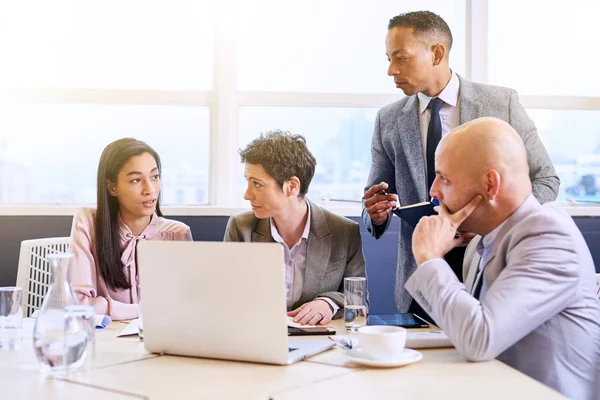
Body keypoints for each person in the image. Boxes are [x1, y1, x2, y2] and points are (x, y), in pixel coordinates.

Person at [362, 11, 560, 317]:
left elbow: (546, 180)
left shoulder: (501, 104)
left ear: (437, 53)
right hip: (421, 277)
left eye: (401, 58)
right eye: (388, 58)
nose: (391, 70)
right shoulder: (388, 120)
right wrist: (375, 214)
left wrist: (495, 227)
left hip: (492, 265)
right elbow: (374, 202)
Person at [406, 117, 600, 399]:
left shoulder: (548, 236)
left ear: (490, 184)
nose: (433, 191)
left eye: (444, 178)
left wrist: (429, 257)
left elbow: (479, 338)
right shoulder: (483, 242)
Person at [224, 130, 367, 326]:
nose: (247, 195)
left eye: (257, 184)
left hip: (319, 340)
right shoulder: (241, 228)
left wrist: (329, 303)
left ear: (291, 186)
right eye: (247, 182)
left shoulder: (344, 232)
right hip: (257, 336)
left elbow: (360, 299)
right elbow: (226, 294)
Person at [70, 138, 193, 320]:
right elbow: (77, 305)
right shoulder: (88, 223)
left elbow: (187, 306)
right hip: (104, 342)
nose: (150, 189)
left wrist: (103, 305)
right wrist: (145, 311)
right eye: (136, 180)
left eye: (154, 177)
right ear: (112, 187)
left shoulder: (178, 234)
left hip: (159, 341)